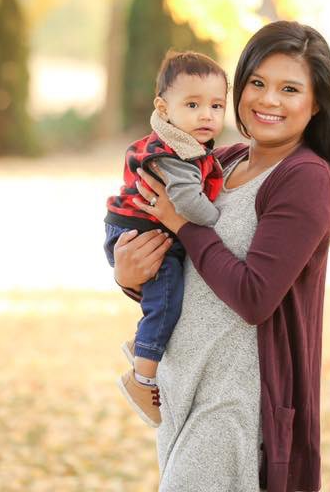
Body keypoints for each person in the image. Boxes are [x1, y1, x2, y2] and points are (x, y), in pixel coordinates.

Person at [112, 20, 330, 492]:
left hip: (237, 397)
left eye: (289, 89)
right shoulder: (219, 161)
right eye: (257, 83)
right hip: (183, 388)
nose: (269, 100)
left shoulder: (306, 177)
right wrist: (129, 275)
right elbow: (189, 277)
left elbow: (254, 296)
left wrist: (184, 225)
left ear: (316, 102)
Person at [103, 50, 228, 427]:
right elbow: (188, 202)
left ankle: (145, 342)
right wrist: (218, 221)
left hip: (135, 227)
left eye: (216, 106)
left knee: (166, 299)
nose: (206, 115)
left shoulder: (180, 143)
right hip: (142, 233)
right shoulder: (177, 155)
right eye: (193, 105)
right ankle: (142, 379)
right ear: (163, 107)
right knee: (168, 296)